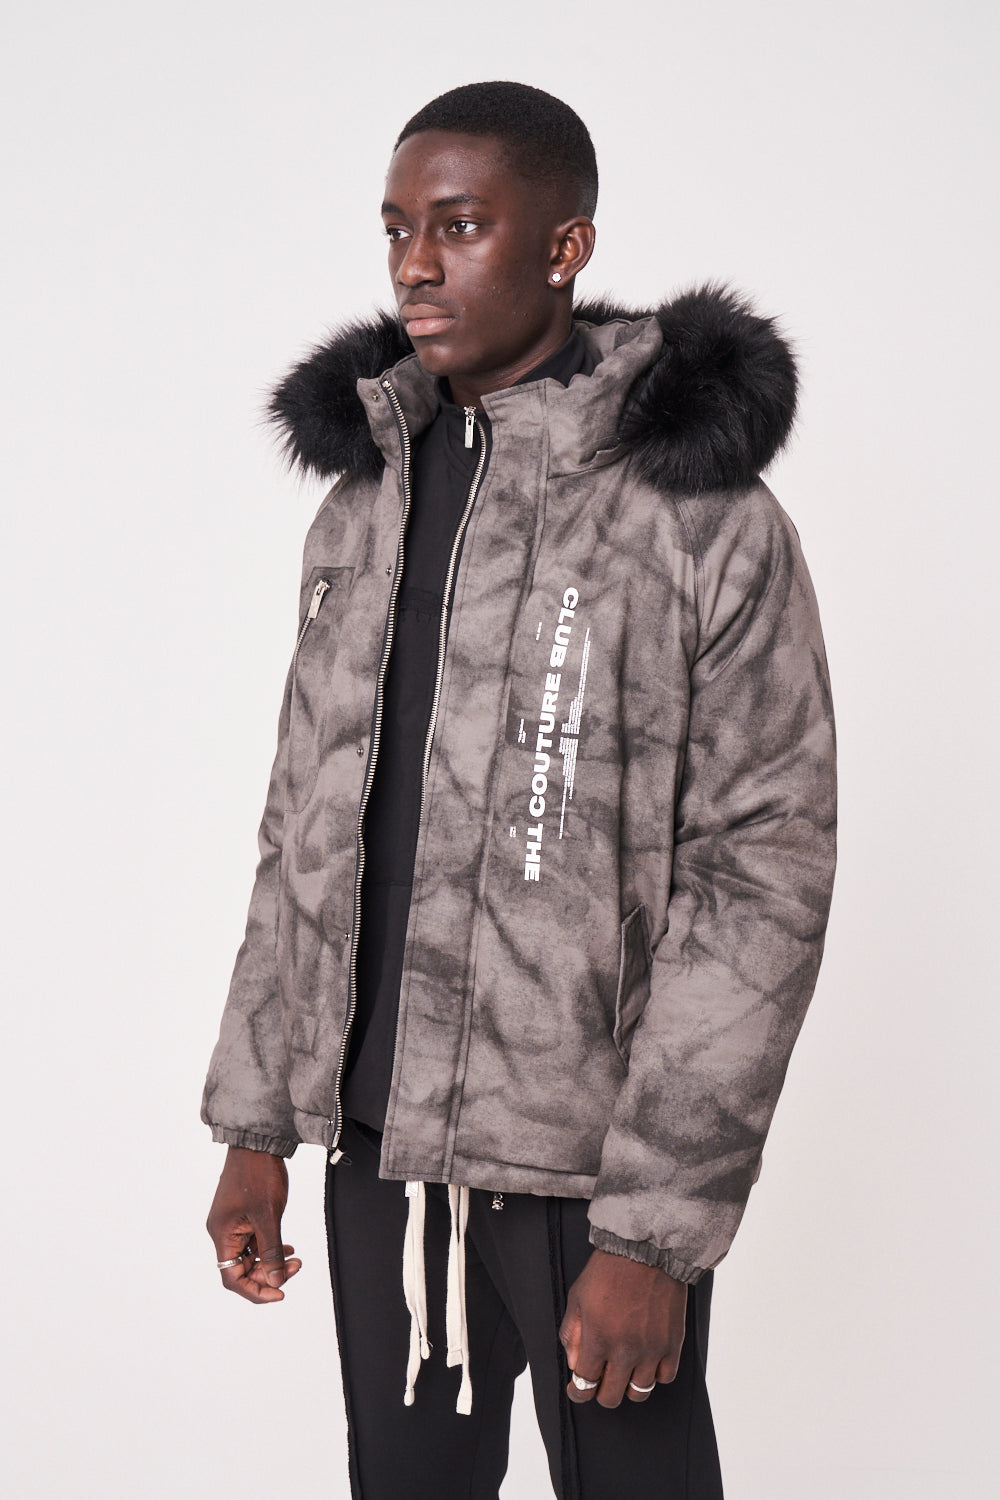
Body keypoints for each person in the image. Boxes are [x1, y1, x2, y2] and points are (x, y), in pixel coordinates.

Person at [202, 80, 837, 1500]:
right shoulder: (365, 503)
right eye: (396, 230)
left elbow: (762, 877)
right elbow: (303, 826)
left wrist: (653, 1230)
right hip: (379, 1149)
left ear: (564, 246)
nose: (417, 265)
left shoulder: (699, 520)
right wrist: (257, 1125)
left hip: (587, 1169)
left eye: (460, 225)